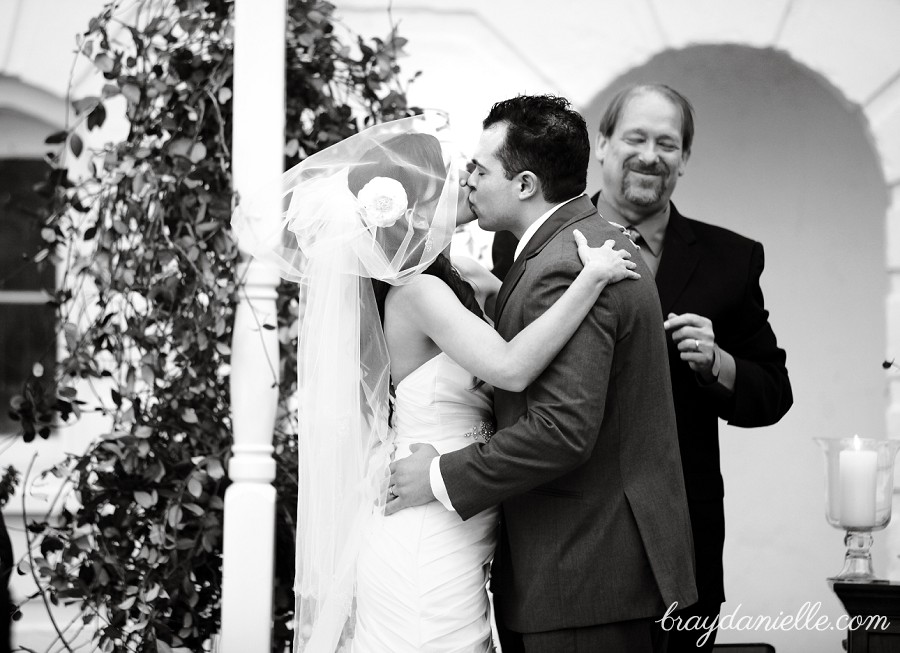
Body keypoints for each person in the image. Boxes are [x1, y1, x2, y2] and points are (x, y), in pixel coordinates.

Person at [231, 116, 640, 652]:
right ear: (418, 209)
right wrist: (591, 278)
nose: (467, 181)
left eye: (472, 171)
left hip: (458, 516)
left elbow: (521, 307)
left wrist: (585, 241)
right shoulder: (419, 294)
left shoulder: (460, 275)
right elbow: (513, 365)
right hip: (426, 527)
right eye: (453, 175)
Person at [387, 95, 697, 653]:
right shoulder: (553, 254)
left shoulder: (571, 262)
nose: (470, 181)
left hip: (583, 567)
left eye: (480, 169)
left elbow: (562, 429)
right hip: (562, 566)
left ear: (526, 184)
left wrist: (440, 475)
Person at [491, 85, 794, 651]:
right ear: (602, 145)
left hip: (680, 544)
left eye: (668, 143)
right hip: (559, 544)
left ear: (685, 159)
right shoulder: (525, 246)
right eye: (635, 137)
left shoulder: (732, 259)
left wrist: (719, 364)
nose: (650, 155)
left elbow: (774, 393)